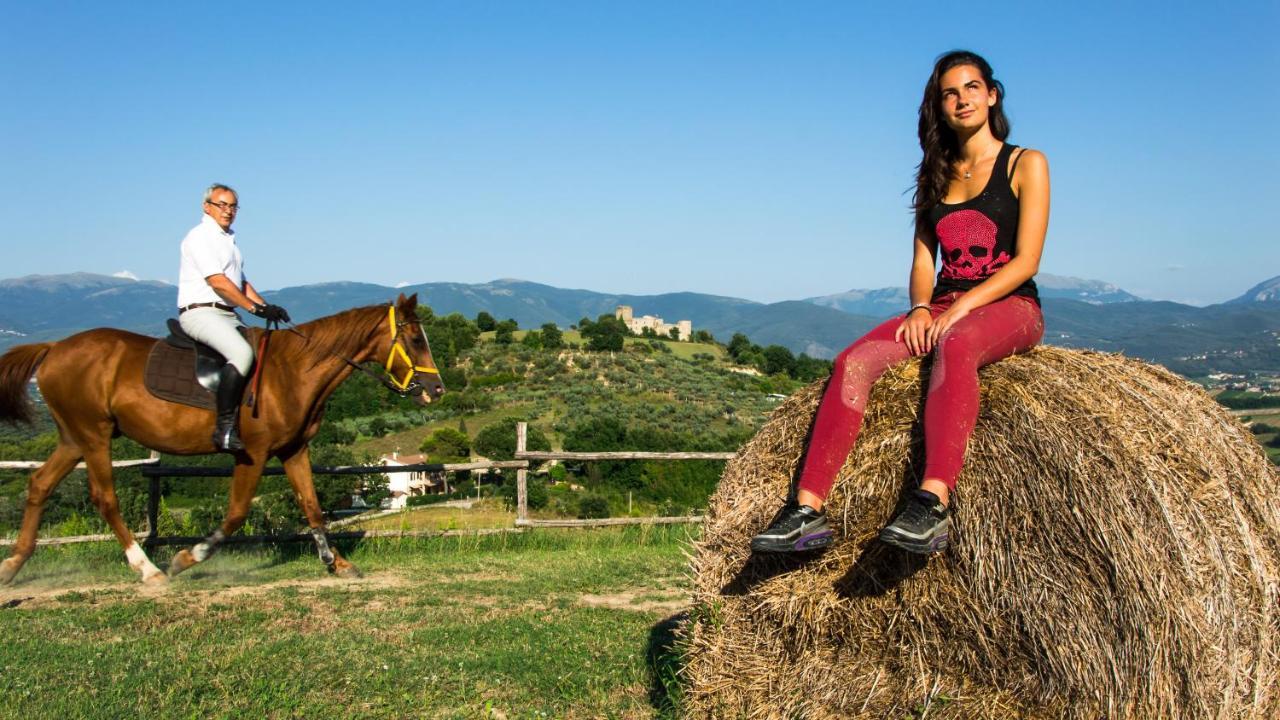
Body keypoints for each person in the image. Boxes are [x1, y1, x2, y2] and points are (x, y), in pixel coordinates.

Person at [751, 50, 1049, 555]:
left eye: (972, 87)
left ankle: (932, 503)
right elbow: (921, 263)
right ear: (939, 105)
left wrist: (957, 309)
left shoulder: (1026, 164)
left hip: (1011, 306)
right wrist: (919, 308)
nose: (962, 99)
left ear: (992, 94)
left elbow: (1026, 262)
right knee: (853, 362)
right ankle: (807, 511)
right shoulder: (934, 173)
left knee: (955, 344)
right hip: (939, 305)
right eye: (950, 93)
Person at [177, 183, 291, 451]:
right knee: (241, 354)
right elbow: (218, 282)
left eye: (233, 206)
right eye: (222, 205)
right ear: (207, 207)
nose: (228, 211)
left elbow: (240, 283)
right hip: (201, 312)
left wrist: (266, 306)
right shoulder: (199, 237)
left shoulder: (228, 241)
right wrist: (253, 309)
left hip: (226, 314)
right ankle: (224, 429)